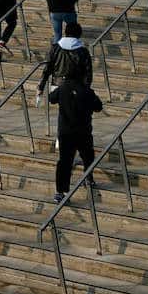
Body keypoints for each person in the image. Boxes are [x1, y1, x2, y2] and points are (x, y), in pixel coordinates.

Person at [44, 31, 102, 196]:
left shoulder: (63, 88)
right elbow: (98, 106)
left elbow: (51, 99)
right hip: (83, 130)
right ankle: (88, 177)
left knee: (65, 161)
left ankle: (60, 192)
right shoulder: (87, 91)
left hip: (66, 130)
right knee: (87, 155)